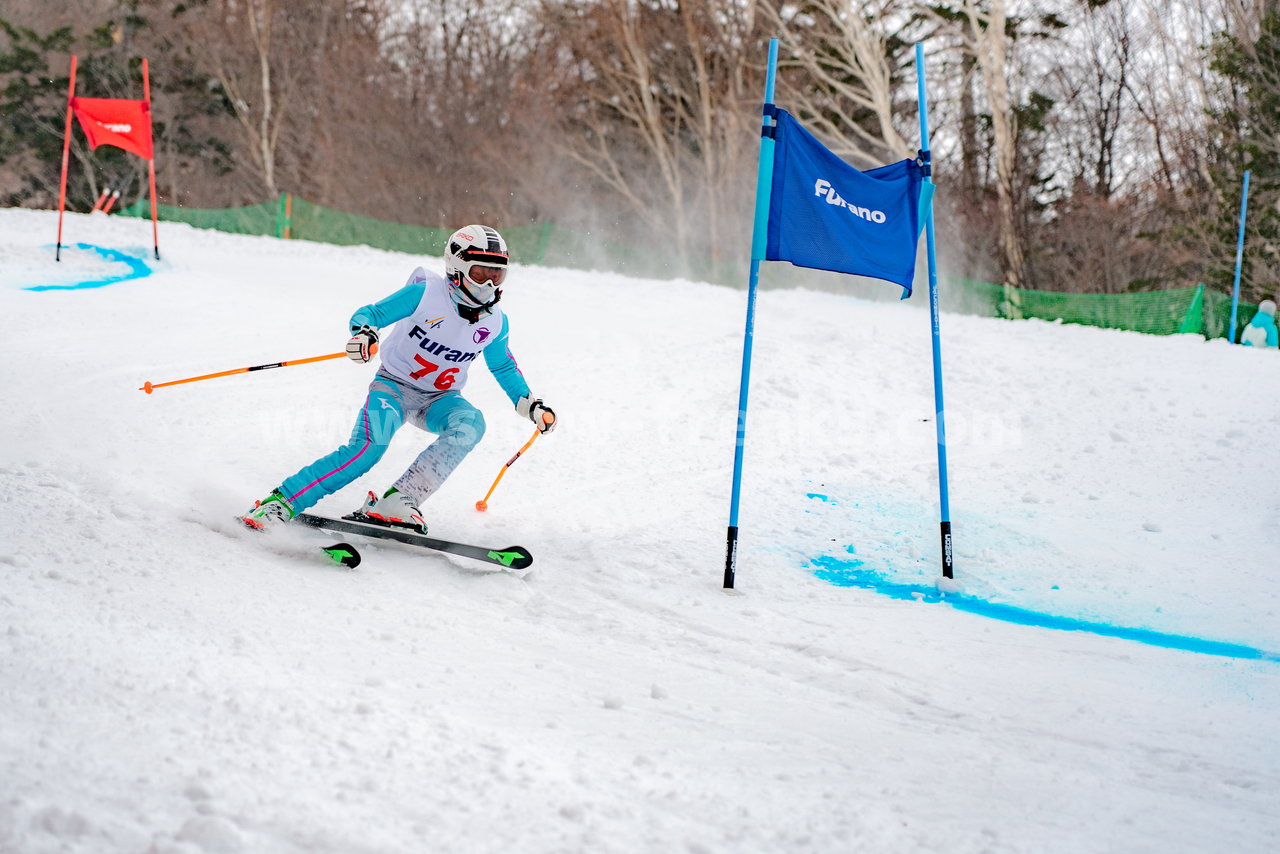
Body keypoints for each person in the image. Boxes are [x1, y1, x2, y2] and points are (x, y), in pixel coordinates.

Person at [240, 224, 556, 532]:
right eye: (480, 273)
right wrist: (363, 334)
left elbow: (503, 366)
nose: (489, 285)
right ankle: (279, 503)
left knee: (471, 424)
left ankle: (400, 500)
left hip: (440, 401)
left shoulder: (496, 322)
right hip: (393, 388)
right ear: (457, 268)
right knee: (367, 451)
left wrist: (529, 405)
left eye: (496, 275)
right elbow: (370, 314)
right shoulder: (425, 294)